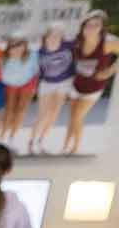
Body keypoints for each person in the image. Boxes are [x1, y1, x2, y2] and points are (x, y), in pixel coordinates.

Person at [64, 9, 119, 156]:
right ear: (82, 26)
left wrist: (111, 70)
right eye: (89, 24)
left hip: (93, 89)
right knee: (73, 117)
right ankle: (66, 146)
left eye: (96, 25)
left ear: (101, 27)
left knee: (77, 117)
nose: (92, 28)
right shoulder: (76, 42)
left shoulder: (107, 44)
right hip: (76, 86)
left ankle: (74, 149)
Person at [28, 24, 76, 155]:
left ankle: (41, 141)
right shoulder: (39, 49)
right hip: (47, 84)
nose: (54, 38)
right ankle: (32, 142)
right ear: (46, 36)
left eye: (58, 35)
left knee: (54, 113)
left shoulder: (68, 45)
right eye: (52, 35)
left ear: (62, 36)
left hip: (64, 83)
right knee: (43, 114)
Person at [0, 36, 38, 146]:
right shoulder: (5, 57)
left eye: (19, 44)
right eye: (13, 45)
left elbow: (35, 71)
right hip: (11, 85)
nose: (17, 48)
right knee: (9, 110)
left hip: (27, 84)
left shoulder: (32, 54)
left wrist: (33, 86)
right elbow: (3, 75)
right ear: (9, 47)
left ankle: (12, 137)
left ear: (25, 45)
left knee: (21, 110)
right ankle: (2, 136)